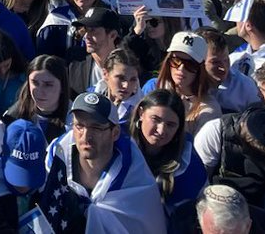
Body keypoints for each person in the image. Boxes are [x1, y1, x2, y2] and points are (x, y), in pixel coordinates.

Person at [36, 92, 166, 234]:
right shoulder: (54, 165)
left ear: (115, 133)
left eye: (96, 128)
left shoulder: (137, 182)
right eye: (79, 126)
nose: (86, 136)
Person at [128, 89, 207, 218]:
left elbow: (197, 205)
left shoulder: (187, 160)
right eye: (155, 119)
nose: (161, 130)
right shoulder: (119, 145)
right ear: (141, 113)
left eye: (170, 125)